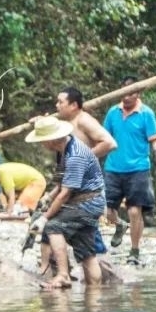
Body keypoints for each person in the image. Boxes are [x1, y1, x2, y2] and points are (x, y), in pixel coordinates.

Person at [39, 86, 119, 275]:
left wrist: (84, 158)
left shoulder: (84, 120)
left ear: (74, 105)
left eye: (61, 102)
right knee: (57, 222)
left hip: (86, 188)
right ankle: (53, 267)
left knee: (79, 230)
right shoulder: (66, 123)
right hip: (74, 184)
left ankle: (99, 270)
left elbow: (110, 143)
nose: (56, 105)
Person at [24, 117, 106, 289]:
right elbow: (63, 183)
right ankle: (95, 296)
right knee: (87, 254)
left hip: (87, 203)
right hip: (85, 201)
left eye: (42, 141)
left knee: (53, 226)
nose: (41, 144)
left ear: (51, 140)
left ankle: (63, 275)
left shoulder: (75, 155)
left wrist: (44, 218)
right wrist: (48, 197)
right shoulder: (63, 150)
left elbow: (65, 194)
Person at [102, 76, 156, 266]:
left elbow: (154, 140)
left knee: (134, 210)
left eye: (131, 93)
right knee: (107, 210)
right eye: (124, 92)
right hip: (113, 167)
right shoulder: (113, 112)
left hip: (138, 168)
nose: (127, 96)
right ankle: (120, 225)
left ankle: (134, 251)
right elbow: (103, 136)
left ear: (138, 94)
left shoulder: (146, 114)